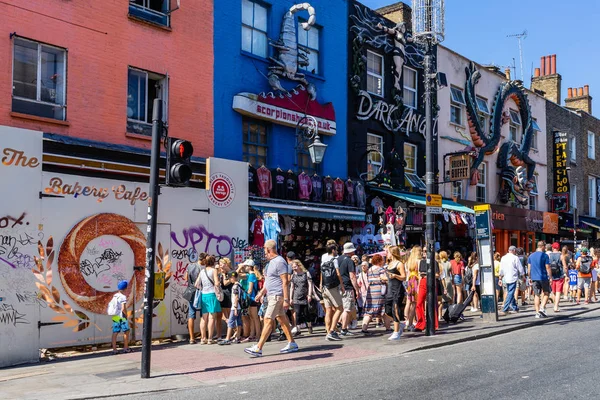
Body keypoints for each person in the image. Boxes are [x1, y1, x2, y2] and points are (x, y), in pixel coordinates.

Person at [245, 239, 297, 357]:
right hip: (272, 295)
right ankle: (292, 343)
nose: (264, 251)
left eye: (264, 249)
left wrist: (286, 299)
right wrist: (261, 293)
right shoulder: (271, 263)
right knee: (282, 319)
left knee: (268, 319)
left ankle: (258, 347)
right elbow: (269, 281)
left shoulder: (279, 262)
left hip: (277, 296)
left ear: (268, 249)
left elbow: (285, 281)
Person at [320, 240, 344, 341]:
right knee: (340, 308)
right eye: (336, 250)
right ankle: (332, 331)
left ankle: (328, 330)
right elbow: (338, 273)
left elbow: (321, 272)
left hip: (325, 287)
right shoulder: (334, 260)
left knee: (328, 310)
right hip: (332, 287)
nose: (337, 251)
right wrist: (342, 285)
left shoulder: (323, 259)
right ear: (333, 250)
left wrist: (321, 284)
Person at [196, 255, 222, 344]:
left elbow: (196, 284)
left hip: (204, 295)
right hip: (212, 294)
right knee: (212, 317)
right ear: (213, 262)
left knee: (204, 317)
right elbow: (217, 283)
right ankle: (210, 338)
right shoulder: (214, 270)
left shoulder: (202, 271)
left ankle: (203, 338)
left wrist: (203, 287)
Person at [360, 254, 388, 334]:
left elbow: (369, 279)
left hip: (370, 291)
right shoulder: (381, 269)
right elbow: (384, 278)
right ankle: (388, 328)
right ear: (379, 261)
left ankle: (364, 329)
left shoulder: (369, 270)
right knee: (383, 310)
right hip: (379, 291)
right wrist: (388, 278)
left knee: (369, 311)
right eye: (382, 260)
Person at [385, 246, 407, 341]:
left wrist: (395, 275)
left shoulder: (399, 264)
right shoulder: (389, 264)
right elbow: (390, 278)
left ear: (393, 253)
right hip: (390, 289)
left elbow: (404, 277)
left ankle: (396, 332)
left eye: (388, 252)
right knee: (387, 310)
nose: (387, 254)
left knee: (395, 310)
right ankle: (400, 323)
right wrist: (384, 278)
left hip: (397, 289)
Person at [338, 242, 360, 337]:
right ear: (351, 251)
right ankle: (344, 329)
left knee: (342, 308)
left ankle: (339, 323)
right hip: (347, 286)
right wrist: (357, 289)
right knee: (347, 309)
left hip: (338, 286)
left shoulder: (338, 259)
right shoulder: (350, 261)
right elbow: (352, 276)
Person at [415, 247, 439, 332]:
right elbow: (419, 274)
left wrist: (428, 274)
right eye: (423, 251)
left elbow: (437, 275)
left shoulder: (434, 262)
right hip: (422, 282)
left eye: (425, 251)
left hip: (431, 282)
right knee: (419, 303)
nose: (424, 252)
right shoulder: (421, 262)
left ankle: (434, 324)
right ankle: (421, 324)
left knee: (432, 303)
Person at [290, 260, 314, 335]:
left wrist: (309, 294)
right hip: (296, 296)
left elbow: (310, 284)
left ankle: (309, 325)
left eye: (295, 267)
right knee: (297, 313)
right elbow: (292, 287)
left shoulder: (306, 273)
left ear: (299, 266)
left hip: (305, 295)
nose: (294, 269)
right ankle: (298, 329)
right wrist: (290, 298)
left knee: (306, 313)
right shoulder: (293, 275)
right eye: (293, 267)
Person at [528, 241, 551, 318]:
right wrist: (550, 277)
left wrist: (530, 277)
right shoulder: (545, 256)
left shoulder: (531, 256)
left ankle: (537, 313)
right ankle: (542, 307)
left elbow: (529, 268)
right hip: (543, 277)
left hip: (534, 278)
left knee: (536, 295)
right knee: (546, 293)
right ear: (543, 247)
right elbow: (547, 267)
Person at [219, 271, 243, 345]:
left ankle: (227, 338)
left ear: (233, 277)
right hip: (239, 307)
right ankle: (238, 337)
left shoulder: (235, 286)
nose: (229, 280)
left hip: (235, 307)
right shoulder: (239, 284)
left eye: (230, 278)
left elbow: (236, 297)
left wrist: (235, 307)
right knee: (238, 322)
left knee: (230, 322)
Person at [498, 246, 524, 315]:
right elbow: (520, 268)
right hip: (513, 277)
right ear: (514, 250)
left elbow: (501, 269)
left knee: (510, 292)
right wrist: (523, 275)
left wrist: (500, 277)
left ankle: (515, 308)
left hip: (506, 277)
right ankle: (505, 308)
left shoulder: (503, 258)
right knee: (510, 293)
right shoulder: (515, 258)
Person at [109, 280, 131, 354]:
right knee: (126, 331)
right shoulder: (123, 297)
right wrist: (126, 315)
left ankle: (114, 349)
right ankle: (125, 348)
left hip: (116, 316)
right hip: (122, 316)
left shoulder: (115, 295)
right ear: (125, 288)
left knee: (115, 332)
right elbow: (123, 308)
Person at [184, 256, 202, 344]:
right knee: (203, 315)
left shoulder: (189, 266)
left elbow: (185, 278)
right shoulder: (202, 268)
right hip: (200, 291)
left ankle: (191, 338)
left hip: (191, 291)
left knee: (191, 315)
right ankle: (203, 336)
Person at [404, 246, 421, 331]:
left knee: (411, 303)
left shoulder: (409, 262)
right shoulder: (418, 261)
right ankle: (413, 322)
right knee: (416, 304)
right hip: (416, 281)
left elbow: (407, 275)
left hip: (410, 282)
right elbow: (420, 274)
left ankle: (409, 322)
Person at [549, 242, 566, 312]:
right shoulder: (561, 256)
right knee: (558, 291)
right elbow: (565, 266)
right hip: (559, 275)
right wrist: (566, 275)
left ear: (553, 248)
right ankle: (556, 306)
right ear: (558, 248)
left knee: (553, 291)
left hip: (552, 275)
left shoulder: (549, 255)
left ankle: (555, 303)